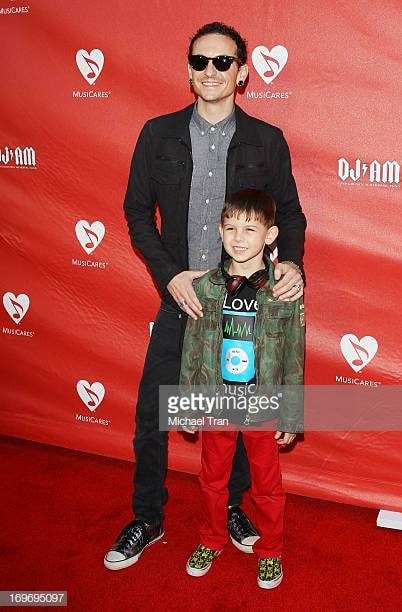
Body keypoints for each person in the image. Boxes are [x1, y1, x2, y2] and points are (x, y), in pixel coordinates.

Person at [104, 21, 306, 571]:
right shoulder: (157, 133)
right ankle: (147, 518)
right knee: (153, 411)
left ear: (242, 72)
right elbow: (135, 213)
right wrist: (170, 275)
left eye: (222, 62)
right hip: (183, 299)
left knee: (238, 419)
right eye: (199, 62)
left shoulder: (268, 139)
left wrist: (292, 263)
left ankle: (234, 509)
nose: (209, 72)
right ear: (188, 69)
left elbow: (288, 214)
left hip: (243, 302)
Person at [182, 189, 304, 589]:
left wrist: (292, 412)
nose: (238, 237)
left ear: (270, 236)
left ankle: (270, 550)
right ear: (219, 230)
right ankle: (211, 539)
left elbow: (292, 356)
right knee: (211, 478)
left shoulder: (283, 291)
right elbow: (193, 348)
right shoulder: (205, 288)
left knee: (267, 484)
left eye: (250, 228)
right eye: (231, 227)